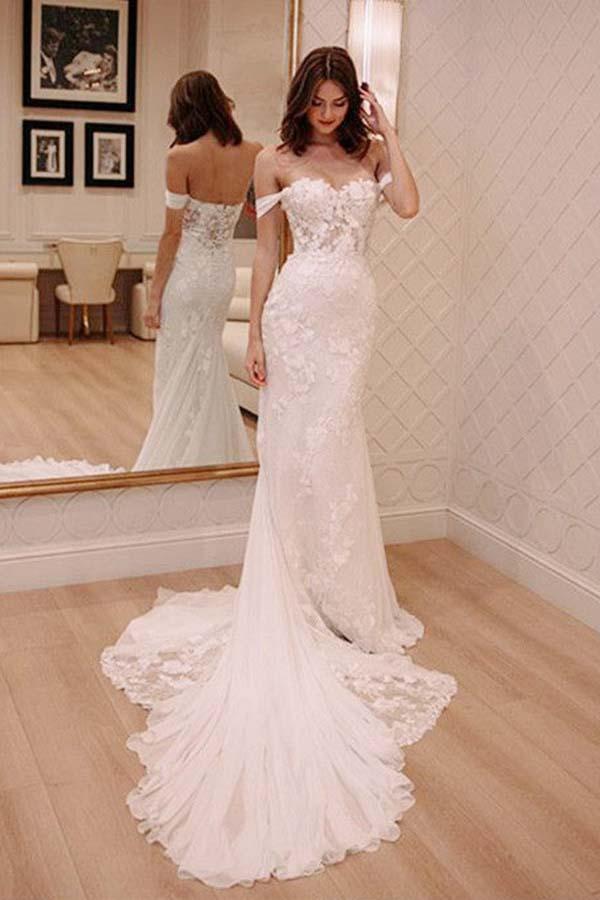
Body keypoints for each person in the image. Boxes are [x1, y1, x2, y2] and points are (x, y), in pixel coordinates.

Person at [100, 46, 458, 889]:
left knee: (336, 448)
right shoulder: (273, 159)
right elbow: (265, 253)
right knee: (292, 454)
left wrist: (390, 129)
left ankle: (343, 598)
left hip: (352, 316)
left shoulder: (373, 154)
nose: (329, 115)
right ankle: (296, 591)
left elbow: (408, 206)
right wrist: (258, 331)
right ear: (303, 100)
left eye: (341, 104)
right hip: (296, 316)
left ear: (354, 105)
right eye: (319, 103)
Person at [132, 70, 259, 470]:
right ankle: (212, 457)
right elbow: (255, 210)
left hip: (187, 277)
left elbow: (172, 234)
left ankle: (175, 460)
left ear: (182, 110)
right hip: (221, 275)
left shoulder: (180, 157)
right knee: (207, 360)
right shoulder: (253, 152)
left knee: (176, 368)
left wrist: (154, 298)